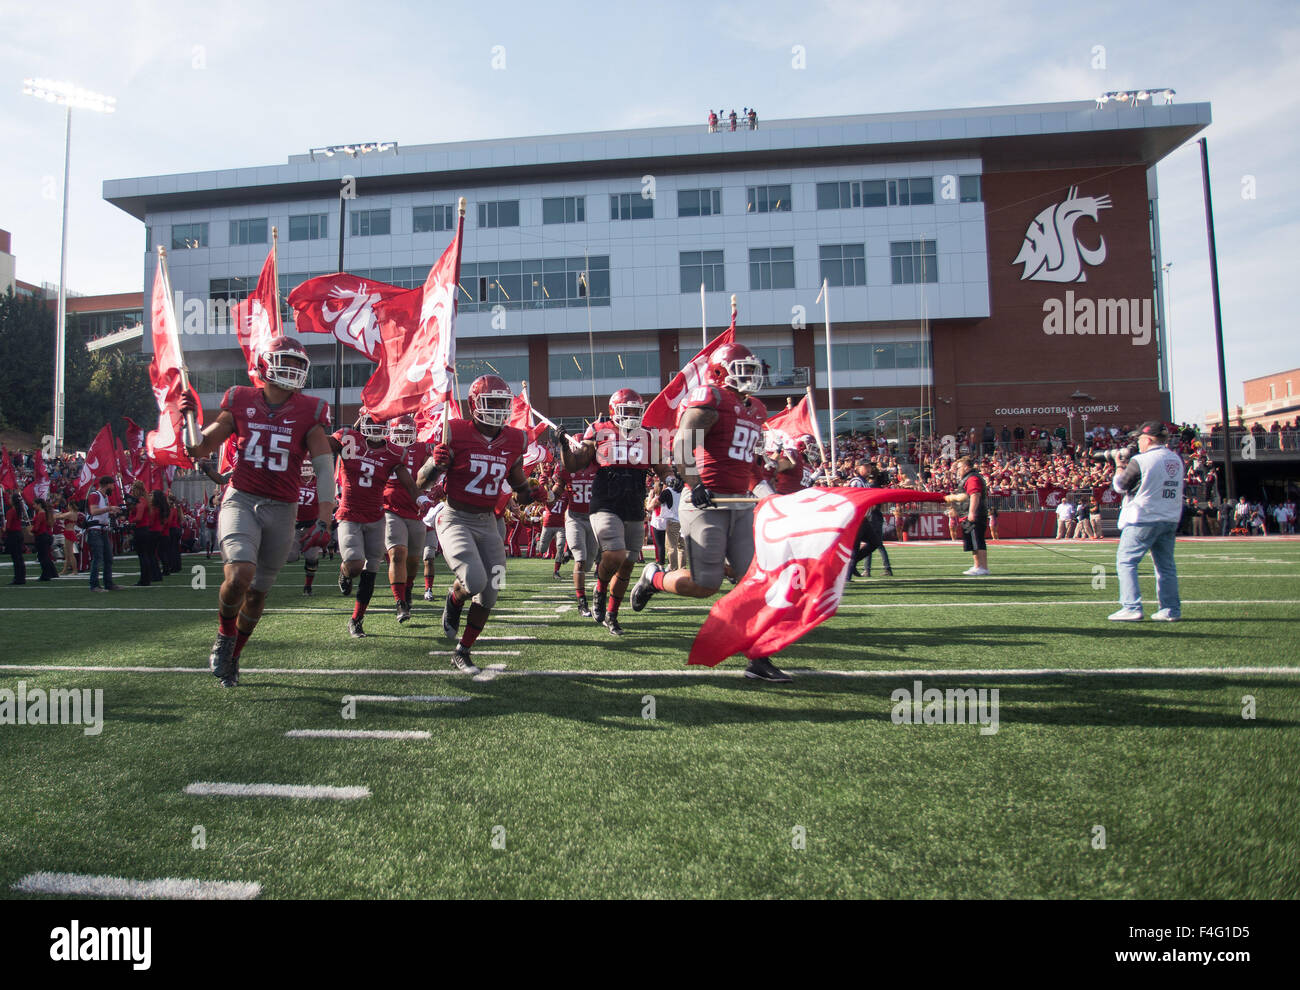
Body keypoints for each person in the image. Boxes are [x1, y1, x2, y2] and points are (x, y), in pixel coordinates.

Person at [629, 343, 793, 682]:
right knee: (706, 583)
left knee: (755, 581)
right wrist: (695, 481)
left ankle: (759, 658)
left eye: (752, 370)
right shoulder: (712, 398)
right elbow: (682, 443)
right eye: (743, 369)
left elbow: (753, 467)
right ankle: (653, 578)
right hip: (706, 501)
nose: (751, 377)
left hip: (739, 501)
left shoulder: (756, 410)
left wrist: (770, 496)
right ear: (720, 371)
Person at [180, 336, 335, 687]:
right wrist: (188, 416)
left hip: (283, 508)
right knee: (239, 575)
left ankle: (235, 655)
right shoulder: (240, 399)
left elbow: (325, 468)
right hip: (242, 498)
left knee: (258, 591)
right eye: (286, 362)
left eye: (299, 364)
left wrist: (325, 518)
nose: (293, 370)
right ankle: (224, 635)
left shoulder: (310, 410)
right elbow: (199, 446)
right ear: (265, 364)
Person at [416, 374, 540, 674]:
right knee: (473, 580)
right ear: (474, 405)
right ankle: (454, 598)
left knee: (492, 589)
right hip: (456, 516)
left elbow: (518, 484)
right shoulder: (454, 431)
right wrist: (436, 463)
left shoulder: (513, 439)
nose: (498, 409)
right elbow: (421, 482)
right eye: (491, 402)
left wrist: (531, 491)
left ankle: (463, 650)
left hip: (488, 521)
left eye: (502, 403)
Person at [556, 388, 671, 634]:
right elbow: (575, 464)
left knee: (628, 564)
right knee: (615, 553)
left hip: (634, 504)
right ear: (614, 411)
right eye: (626, 410)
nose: (631, 415)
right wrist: (564, 447)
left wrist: (671, 482)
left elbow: (663, 468)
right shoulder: (599, 430)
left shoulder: (649, 436)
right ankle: (599, 587)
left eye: (635, 411)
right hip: (605, 502)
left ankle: (612, 614)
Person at [329, 411, 415, 637]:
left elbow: (406, 479)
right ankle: (345, 572)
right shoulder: (349, 439)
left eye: (381, 425)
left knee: (371, 570)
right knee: (355, 565)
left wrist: (421, 498)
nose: (377, 429)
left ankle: (356, 619)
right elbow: (324, 446)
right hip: (349, 513)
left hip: (376, 517)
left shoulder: (393, 452)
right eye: (372, 423)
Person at [1108, 422, 1184, 622]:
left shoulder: (1142, 460)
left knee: (1126, 561)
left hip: (1143, 516)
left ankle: (1131, 606)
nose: (1138, 442)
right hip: (1169, 516)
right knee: (1165, 566)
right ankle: (1170, 609)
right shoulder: (1175, 459)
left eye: (1140, 438)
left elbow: (1121, 485)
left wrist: (1119, 466)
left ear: (1148, 439)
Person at [381, 414, 431, 623]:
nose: (402, 435)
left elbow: (434, 469)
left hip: (415, 510)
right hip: (390, 508)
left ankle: (408, 588)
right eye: (398, 431)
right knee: (397, 554)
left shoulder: (421, 449)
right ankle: (400, 602)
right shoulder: (383, 448)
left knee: (413, 559)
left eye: (406, 431)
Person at [556, 459, 599, 616]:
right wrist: (548, 494)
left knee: (587, 565)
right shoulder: (567, 468)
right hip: (575, 518)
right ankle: (582, 602)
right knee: (580, 560)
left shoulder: (598, 466)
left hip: (594, 518)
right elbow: (556, 490)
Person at [944, 457, 989, 575]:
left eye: (959, 468)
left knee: (976, 541)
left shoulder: (972, 478)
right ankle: (981, 566)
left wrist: (971, 512)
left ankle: (980, 566)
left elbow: (975, 494)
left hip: (974, 514)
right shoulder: (971, 478)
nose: (958, 471)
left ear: (966, 467)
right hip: (975, 513)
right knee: (977, 541)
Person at [85, 476, 121, 592]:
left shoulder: (104, 497)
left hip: (102, 529)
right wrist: (109, 508)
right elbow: (94, 511)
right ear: (107, 484)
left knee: (108, 558)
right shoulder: (95, 495)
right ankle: (94, 585)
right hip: (95, 529)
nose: (113, 487)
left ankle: (108, 583)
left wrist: (111, 512)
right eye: (112, 485)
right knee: (98, 557)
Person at [4, 493, 28, 585]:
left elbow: (9, 526)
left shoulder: (11, 511)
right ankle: (21, 577)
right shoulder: (19, 510)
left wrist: (4, 529)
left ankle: (18, 578)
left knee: (15, 557)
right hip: (19, 534)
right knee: (19, 557)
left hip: (13, 535)